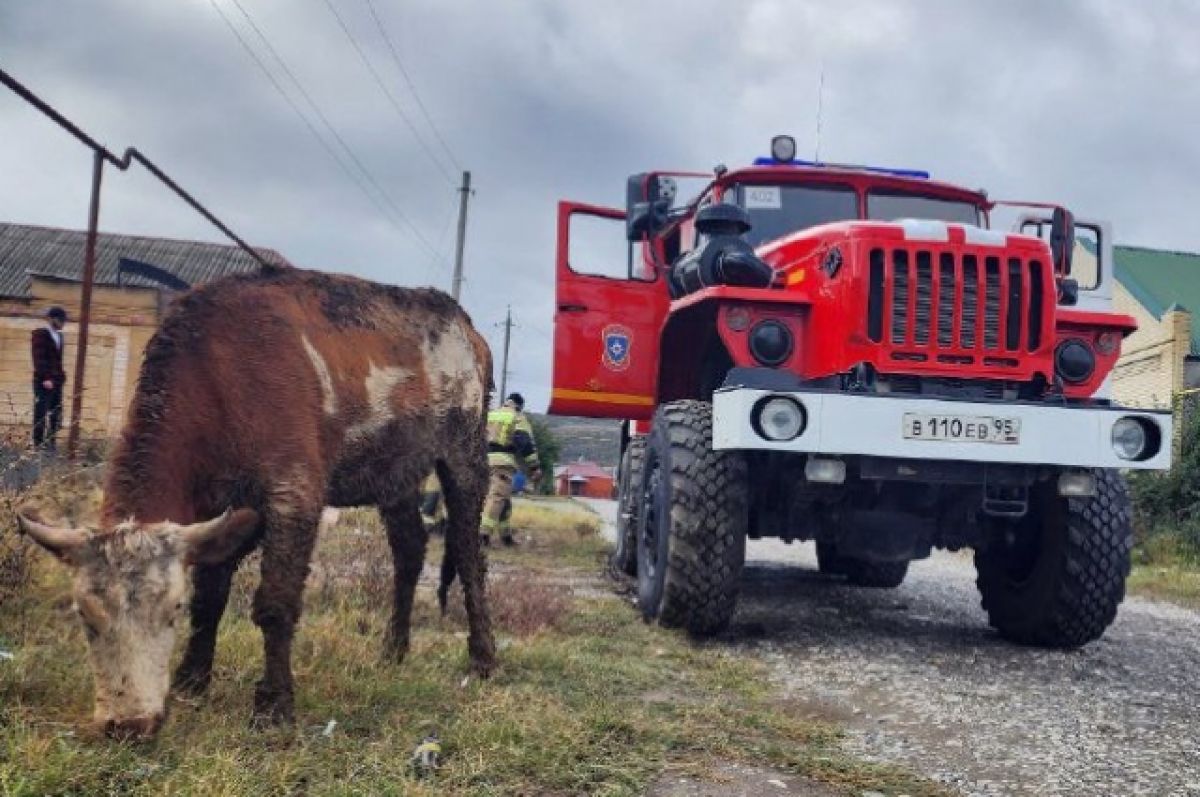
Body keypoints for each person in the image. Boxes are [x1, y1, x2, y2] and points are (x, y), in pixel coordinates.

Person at [483, 392, 541, 546]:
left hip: (483, 460)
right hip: (502, 462)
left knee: (504, 500)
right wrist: (534, 468)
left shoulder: (490, 415)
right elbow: (525, 444)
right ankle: (482, 536)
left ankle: (505, 537)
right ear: (519, 406)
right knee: (497, 497)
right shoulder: (517, 417)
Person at [31, 306, 67, 451]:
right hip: (43, 382)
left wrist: (61, 377)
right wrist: (45, 378)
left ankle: (51, 442)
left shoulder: (60, 336)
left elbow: (57, 360)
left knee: (56, 413)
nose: (63, 324)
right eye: (61, 320)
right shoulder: (41, 334)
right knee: (41, 412)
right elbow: (38, 358)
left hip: (57, 381)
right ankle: (38, 444)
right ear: (53, 319)